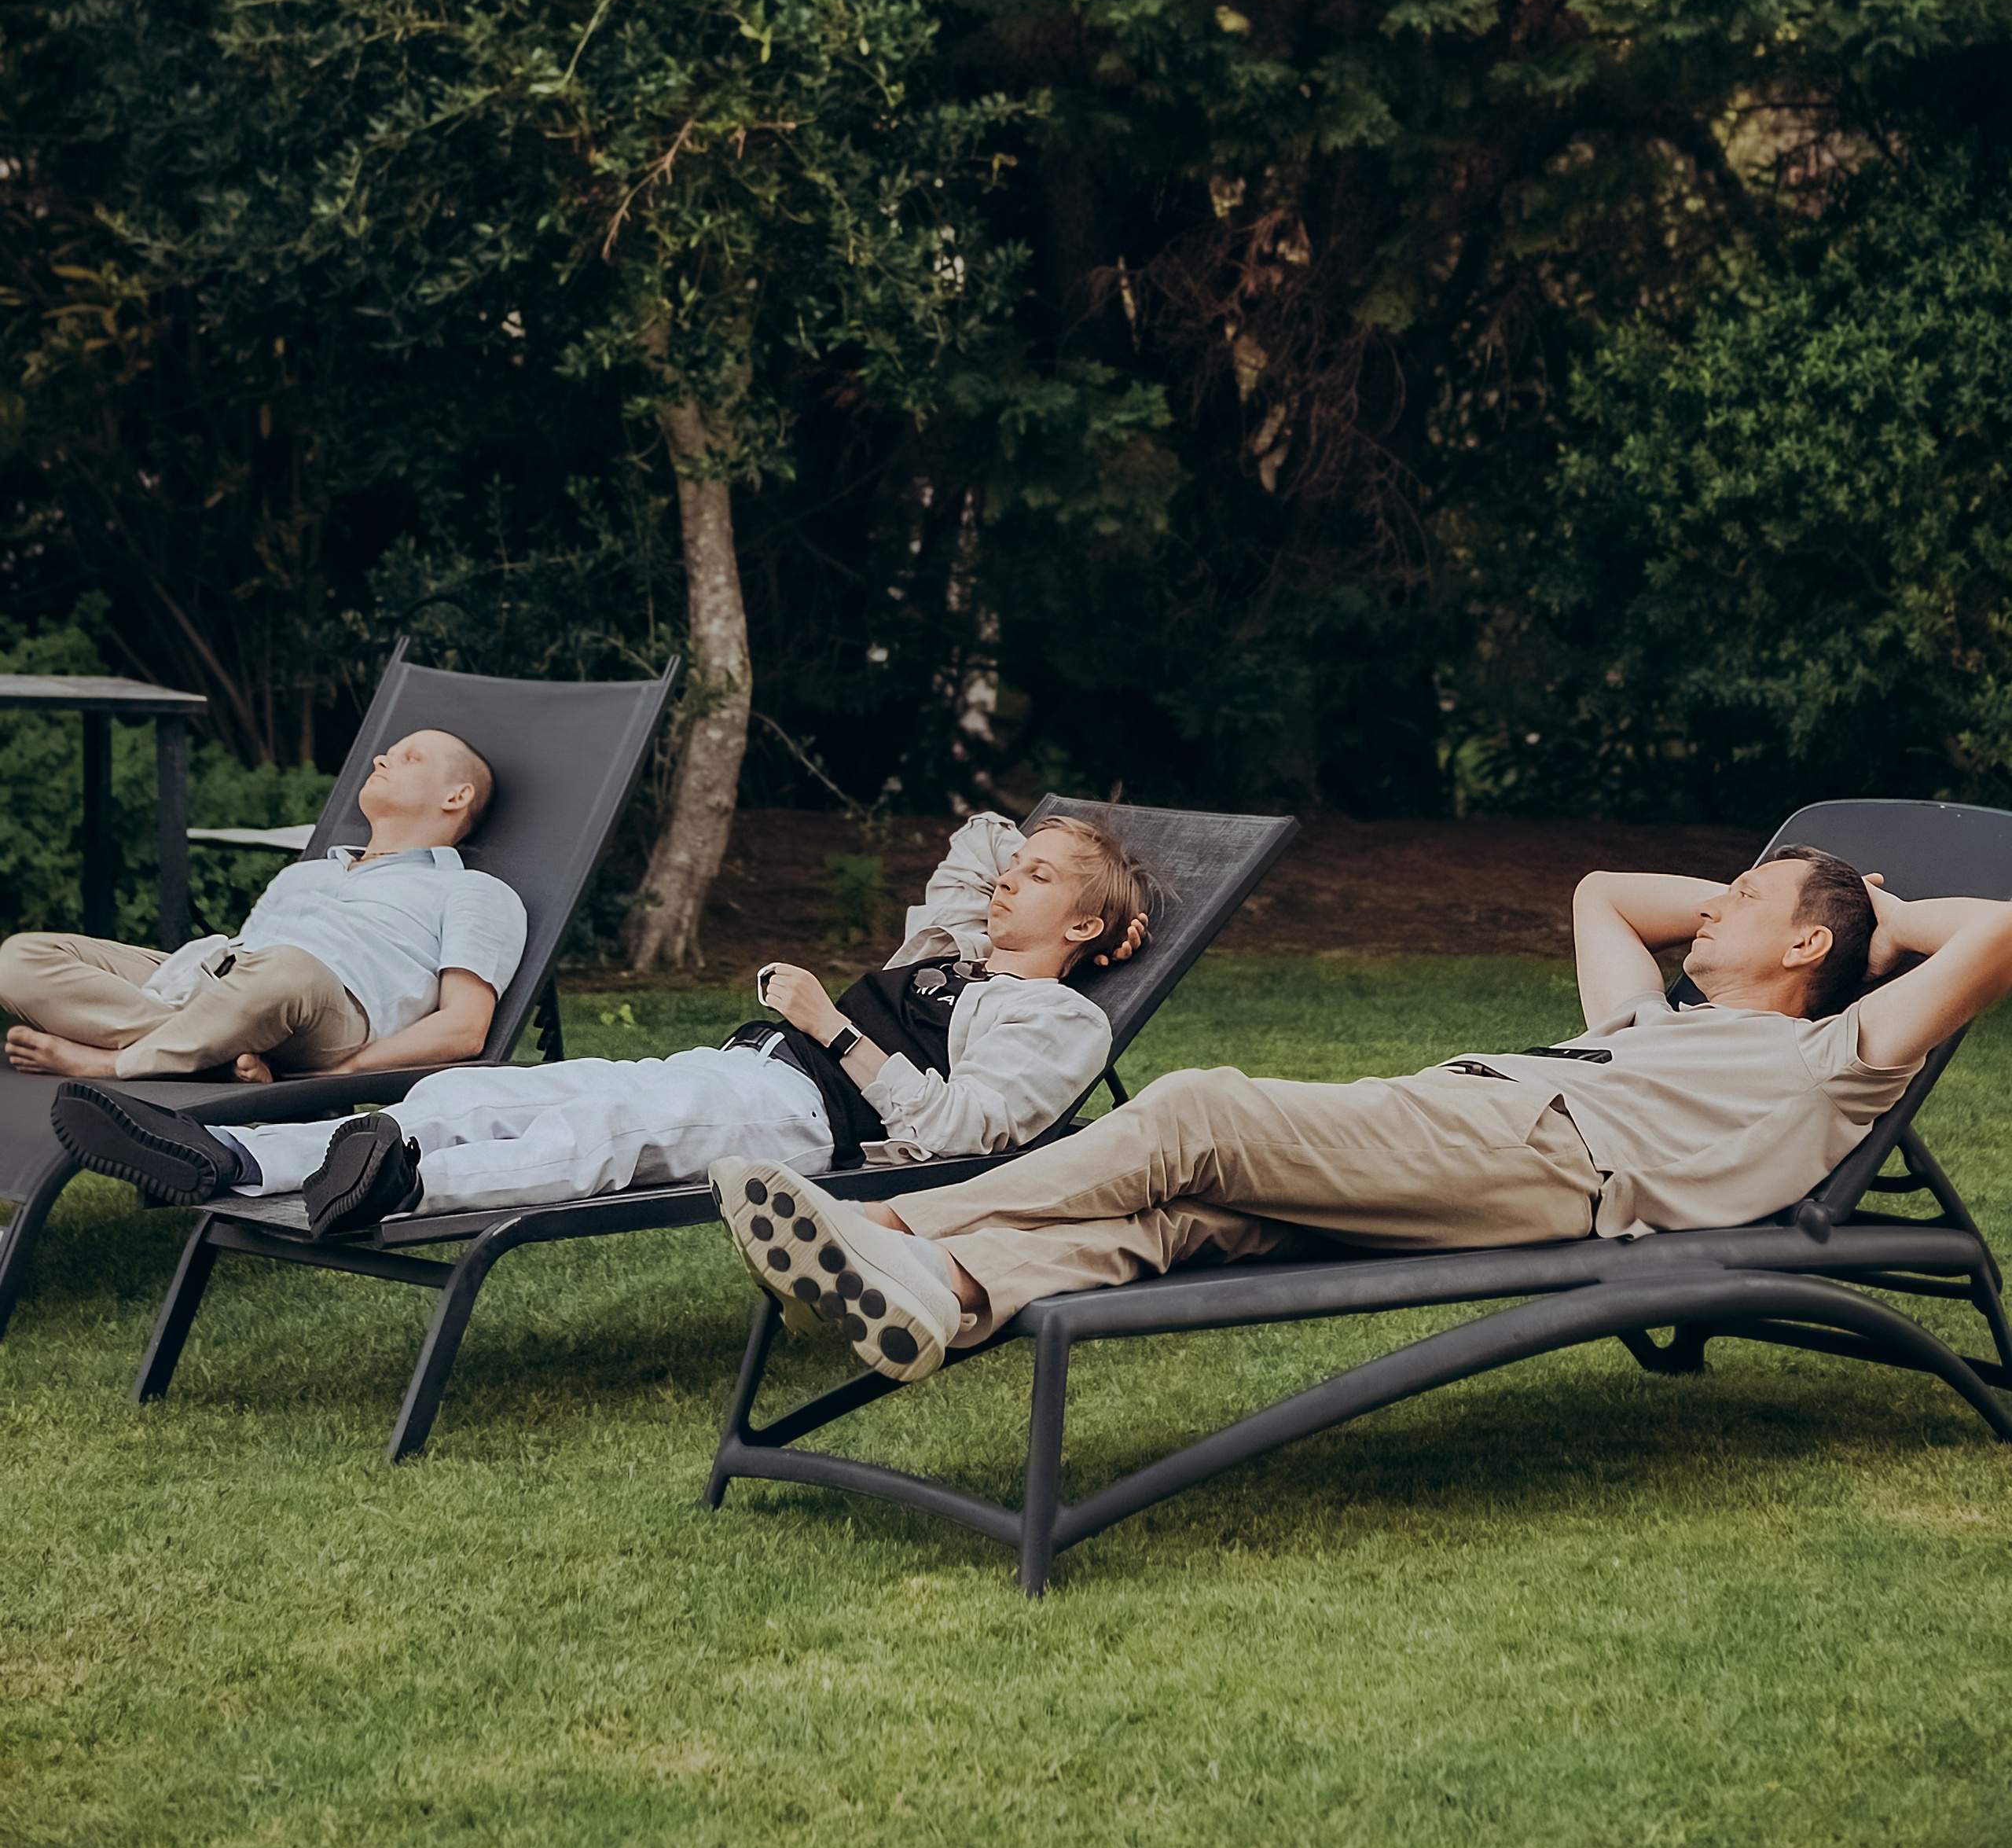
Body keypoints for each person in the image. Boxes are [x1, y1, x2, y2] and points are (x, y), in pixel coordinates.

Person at [712, 843, 2012, 1385]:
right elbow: (1602, 895)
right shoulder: (1651, 1026)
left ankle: (880, 1224)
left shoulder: (1842, 1049)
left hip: (1544, 1157)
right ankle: (943, 1285)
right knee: (1187, 1217)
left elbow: (2000, 933)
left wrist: (1886, 924)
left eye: (1748, 897)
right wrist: (1773, 888)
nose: (1714, 905)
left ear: (1806, 952)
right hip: (1467, 1128)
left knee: (1200, 1113)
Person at [49, 811, 1159, 1238]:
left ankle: (409, 1186)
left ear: (1093, 922)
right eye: (1020, 871)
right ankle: (235, 1155)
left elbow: (964, 1133)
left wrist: (833, 1027)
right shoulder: (951, 952)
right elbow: (978, 835)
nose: (1012, 880)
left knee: (610, 1131)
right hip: (742, 1067)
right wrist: (1060, 870)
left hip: (808, 1116)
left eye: (1045, 877)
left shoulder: (1055, 1019)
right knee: (469, 1093)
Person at [2, 728, 519, 1086]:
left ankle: (113, 1064)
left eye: (410, 757)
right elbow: (240, 972)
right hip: (220, 979)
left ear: (457, 795)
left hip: (330, 1007)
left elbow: (464, 1027)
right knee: (21, 957)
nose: (382, 759)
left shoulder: (473, 891)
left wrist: (343, 1073)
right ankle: (211, 1057)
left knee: (286, 965)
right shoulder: (305, 873)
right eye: (386, 751)